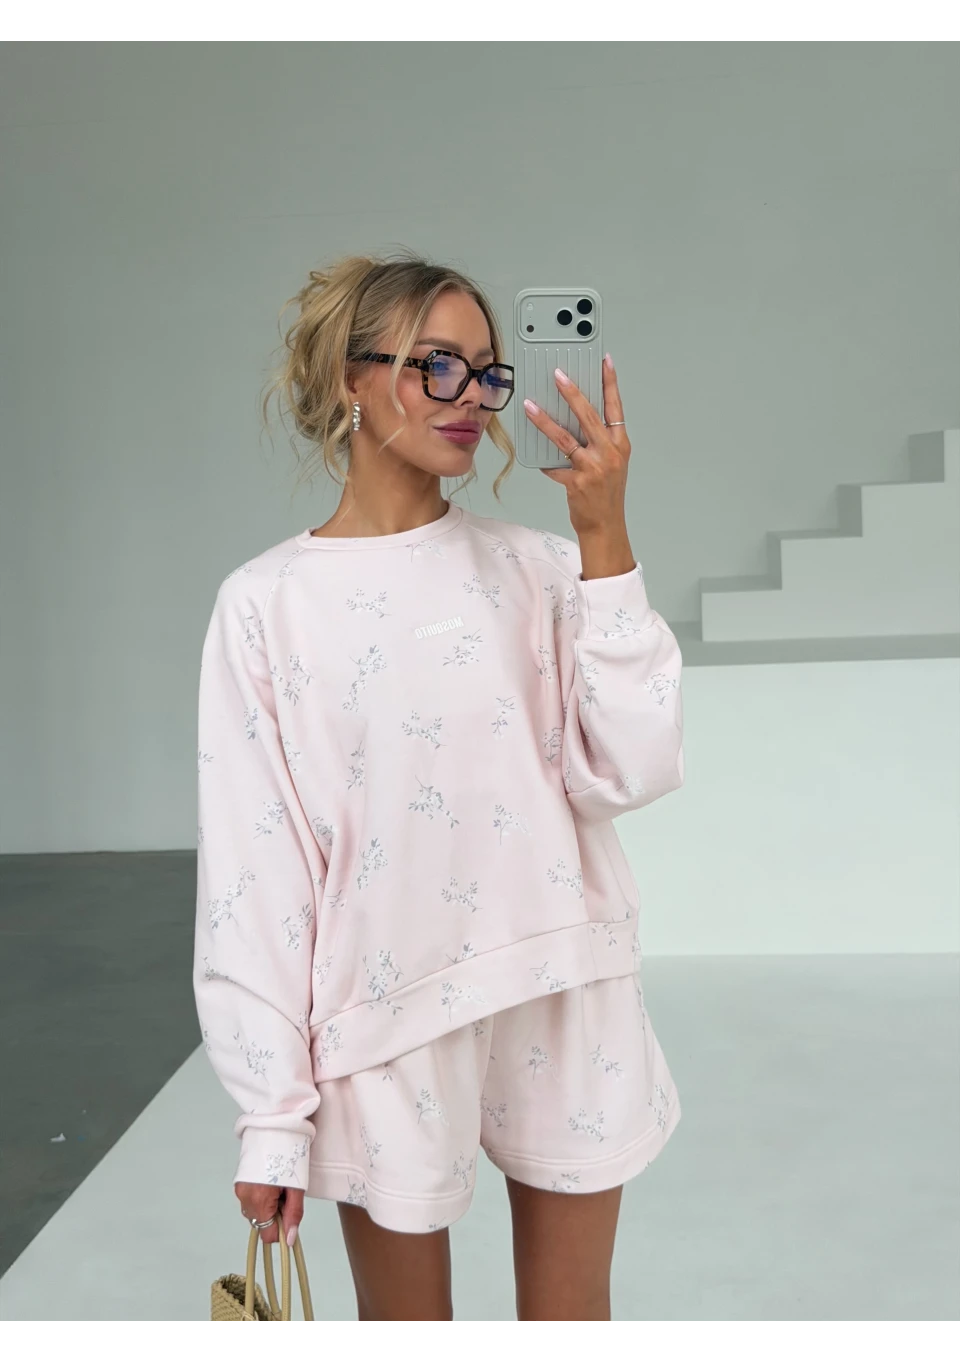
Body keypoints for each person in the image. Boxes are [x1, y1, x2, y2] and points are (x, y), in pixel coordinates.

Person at [193, 249, 684, 1326]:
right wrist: (272, 1116)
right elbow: (256, 873)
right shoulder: (267, 605)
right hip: (384, 1017)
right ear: (349, 378)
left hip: (562, 980)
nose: (471, 399)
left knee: (571, 1331)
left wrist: (604, 536)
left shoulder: (543, 568)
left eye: (488, 372)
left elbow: (633, 767)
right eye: (436, 366)